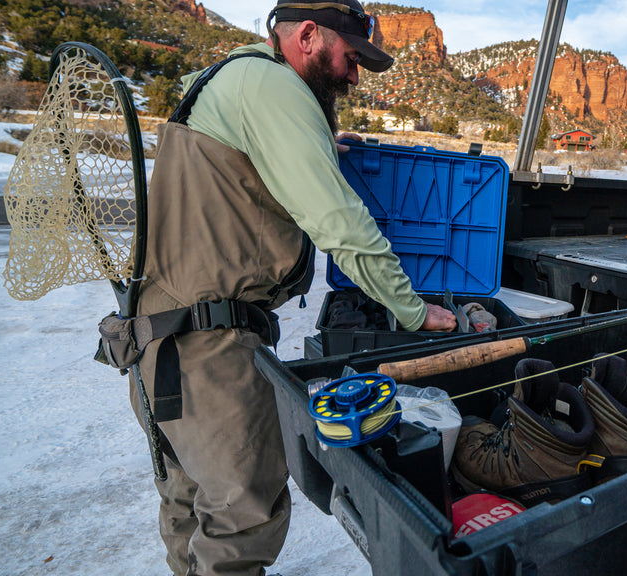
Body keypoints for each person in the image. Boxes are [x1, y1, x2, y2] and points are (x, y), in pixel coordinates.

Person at [129, 1, 456, 574]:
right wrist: (410, 310)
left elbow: (239, 166)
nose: (355, 75)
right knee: (240, 525)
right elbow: (340, 224)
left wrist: (317, 146)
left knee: (189, 513)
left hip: (155, 342)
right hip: (210, 353)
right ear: (307, 35)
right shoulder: (274, 89)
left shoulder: (231, 75)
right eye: (351, 57)